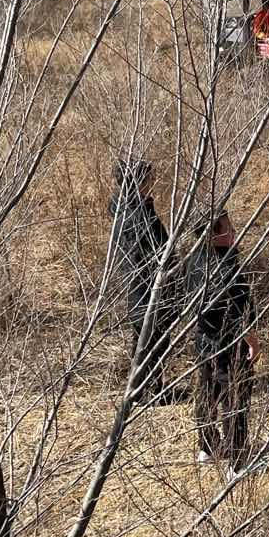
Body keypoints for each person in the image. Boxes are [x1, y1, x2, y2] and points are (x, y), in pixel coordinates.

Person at [187, 210, 258, 475]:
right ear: (213, 235)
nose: (234, 232)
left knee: (207, 392)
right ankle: (237, 464)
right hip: (230, 344)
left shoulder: (194, 260)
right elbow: (241, 311)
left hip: (204, 342)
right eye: (228, 228)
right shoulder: (228, 267)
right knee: (235, 400)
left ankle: (207, 447)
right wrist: (252, 340)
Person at [108, 159, 180, 404]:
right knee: (154, 341)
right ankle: (151, 394)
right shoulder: (141, 217)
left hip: (135, 287)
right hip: (149, 289)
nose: (153, 183)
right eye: (148, 179)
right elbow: (162, 256)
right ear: (138, 183)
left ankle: (141, 390)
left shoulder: (121, 209)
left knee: (142, 340)